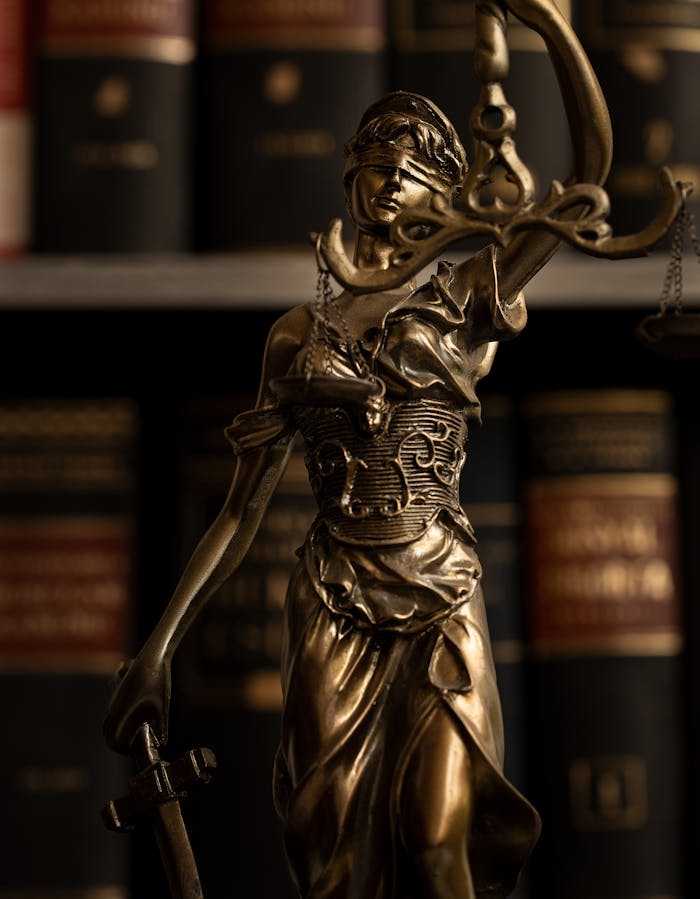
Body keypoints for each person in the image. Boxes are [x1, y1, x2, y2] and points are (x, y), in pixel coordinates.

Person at [103, 1, 612, 896]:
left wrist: (551, 29)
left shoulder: (463, 303)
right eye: (371, 167)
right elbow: (238, 512)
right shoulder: (297, 336)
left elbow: (590, 173)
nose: (385, 183)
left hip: (439, 586)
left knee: (438, 842)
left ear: (444, 194)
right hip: (333, 597)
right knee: (333, 860)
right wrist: (157, 648)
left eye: (411, 171)